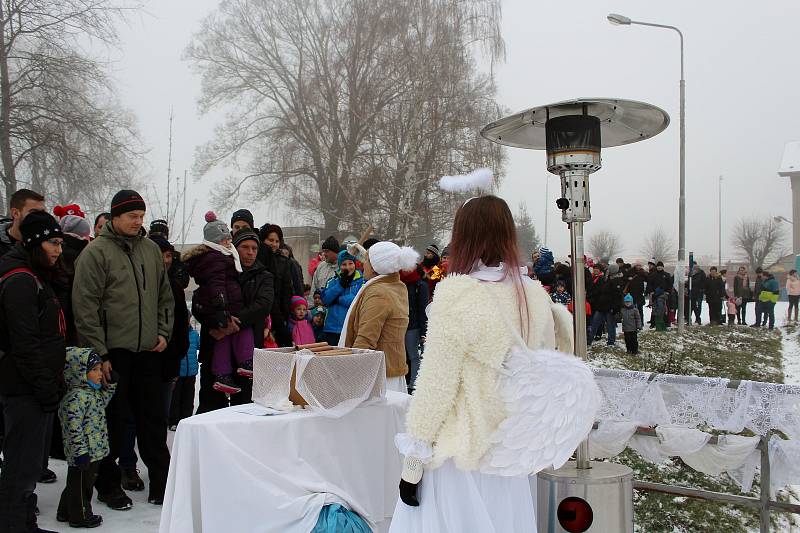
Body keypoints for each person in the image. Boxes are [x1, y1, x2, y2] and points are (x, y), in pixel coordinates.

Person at [391, 195, 584, 533]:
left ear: (464, 235)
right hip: (510, 454)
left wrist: (414, 458)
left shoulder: (458, 294)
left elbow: (437, 385)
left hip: (461, 455)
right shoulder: (532, 294)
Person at [72, 189, 174, 510]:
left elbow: (164, 296)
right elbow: (85, 307)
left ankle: (163, 482)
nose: (138, 222)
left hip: (147, 351)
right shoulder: (95, 253)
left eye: (141, 216)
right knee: (113, 422)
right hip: (113, 353)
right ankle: (107, 484)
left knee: (153, 420)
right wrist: (98, 353)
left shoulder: (150, 251)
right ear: (114, 216)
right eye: (132, 216)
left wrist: (163, 331)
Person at [0, 211, 66, 533]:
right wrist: (44, 387)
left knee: (27, 467)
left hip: (34, 387)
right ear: (35, 242)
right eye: (53, 242)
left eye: (60, 243)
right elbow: (24, 344)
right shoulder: (21, 280)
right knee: (20, 466)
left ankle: (25, 523)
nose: (58, 250)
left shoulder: (35, 276)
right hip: (24, 388)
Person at [185, 212, 251, 395]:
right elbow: (217, 285)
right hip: (224, 306)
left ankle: (224, 373)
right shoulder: (216, 259)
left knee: (225, 337)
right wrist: (221, 310)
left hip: (224, 305)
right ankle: (243, 362)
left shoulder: (221, 256)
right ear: (215, 241)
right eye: (225, 239)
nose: (229, 242)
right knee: (234, 332)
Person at [341, 241, 418, 393]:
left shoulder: (379, 293)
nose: (364, 265)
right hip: (390, 368)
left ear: (377, 267)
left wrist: (351, 375)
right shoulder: (396, 286)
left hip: (378, 379)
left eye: (368, 261)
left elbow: (366, 339)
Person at [57, 348, 116, 528]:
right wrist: (80, 453)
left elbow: (101, 404)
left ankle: (65, 511)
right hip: (84, 452)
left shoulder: (91, 393)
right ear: (79, 372)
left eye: (100, 369)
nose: (100, 374)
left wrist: (111, 385)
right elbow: (73, 430)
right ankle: (80, 516)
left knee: (78, 484)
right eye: (95, 370)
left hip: (94, 449)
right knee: (82, 486)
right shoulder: (75, 398)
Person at [149, 236, 190, 422]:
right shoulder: (143, 285)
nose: (166, 260)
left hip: (169, 361)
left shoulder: (175, 286)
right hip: (146, 359)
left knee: (160, 416)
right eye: (161, 255)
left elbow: (181, 325)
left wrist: (177, 354)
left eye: (168, 255)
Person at [258, 224, 295, 346]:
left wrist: (284, 314)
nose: (274, 244)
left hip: (279, 313)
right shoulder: (256, 259)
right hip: (261, 312)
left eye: (277, 241)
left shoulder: (284, 262)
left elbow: (287, 290)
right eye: (270, 240)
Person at [320, 249, 364, 346]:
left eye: (350, 263)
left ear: (355, 264)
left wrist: (337, 299)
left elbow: (356, 301)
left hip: (351, 328)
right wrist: (340, 285)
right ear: (340, 266)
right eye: (344, 264)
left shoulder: (362, 281)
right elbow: (325, 299)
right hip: (332, 329)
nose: (348, 267)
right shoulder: (332, 281)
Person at [401, 266, 429, 393]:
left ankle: (413, 384)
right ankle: (404, 382)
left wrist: (424, 331)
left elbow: (423, 310)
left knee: (413, 356)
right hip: (401, 324)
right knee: (403, 355)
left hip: (413, 326)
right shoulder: (399, 282)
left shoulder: (420, 285)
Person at [169, 321, 199, 431]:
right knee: (175, 398)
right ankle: (173, 421)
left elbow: (199, 346)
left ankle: (187, 419)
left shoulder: (194, 334)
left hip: (191, 372)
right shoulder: (174, 333)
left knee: (189, 397)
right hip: (178, 373)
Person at [0, 189, 45, 258]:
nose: (40, 217)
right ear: (15, 213)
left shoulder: (47, 243)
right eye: (34, 212)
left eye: (42, 213)